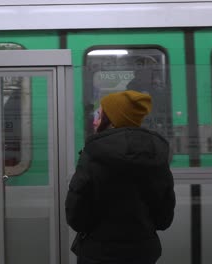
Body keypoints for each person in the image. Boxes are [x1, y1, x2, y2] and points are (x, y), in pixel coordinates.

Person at [65, 90, 176, 264]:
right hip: (143, 252)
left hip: (98, 252)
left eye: (99, 114)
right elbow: (164, 218)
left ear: (112, 120)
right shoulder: (156, 155)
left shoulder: (93, 154)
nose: (95, 120)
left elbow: (76, 216)